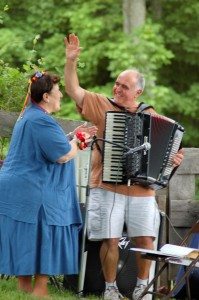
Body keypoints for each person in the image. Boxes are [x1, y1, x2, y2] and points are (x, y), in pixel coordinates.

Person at [64, 33, 184, 300]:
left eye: (124, 87)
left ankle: (143, 287)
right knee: (110, 239)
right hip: (107, 186)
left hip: (142, 192)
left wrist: (172, 160)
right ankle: (110, 290)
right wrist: (71, 61)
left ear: (138, 92)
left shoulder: (152, 116)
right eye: (116, 84)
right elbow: (74, 89)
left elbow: (166, 156)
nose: (117, 90)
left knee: (146, 241)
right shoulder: (102, 105)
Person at [0, 71, 97, 297]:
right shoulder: (42, 120)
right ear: (46, 96)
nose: (61, 95)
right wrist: (77, 142)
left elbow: (49, 146)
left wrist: (72, 136)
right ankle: (40, 291)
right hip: (33, 191)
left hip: (17, 190)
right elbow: (62, 156)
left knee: (25, 239)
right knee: (45, 236)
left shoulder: (29, 115)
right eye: (57, 91)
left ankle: (24, 290)